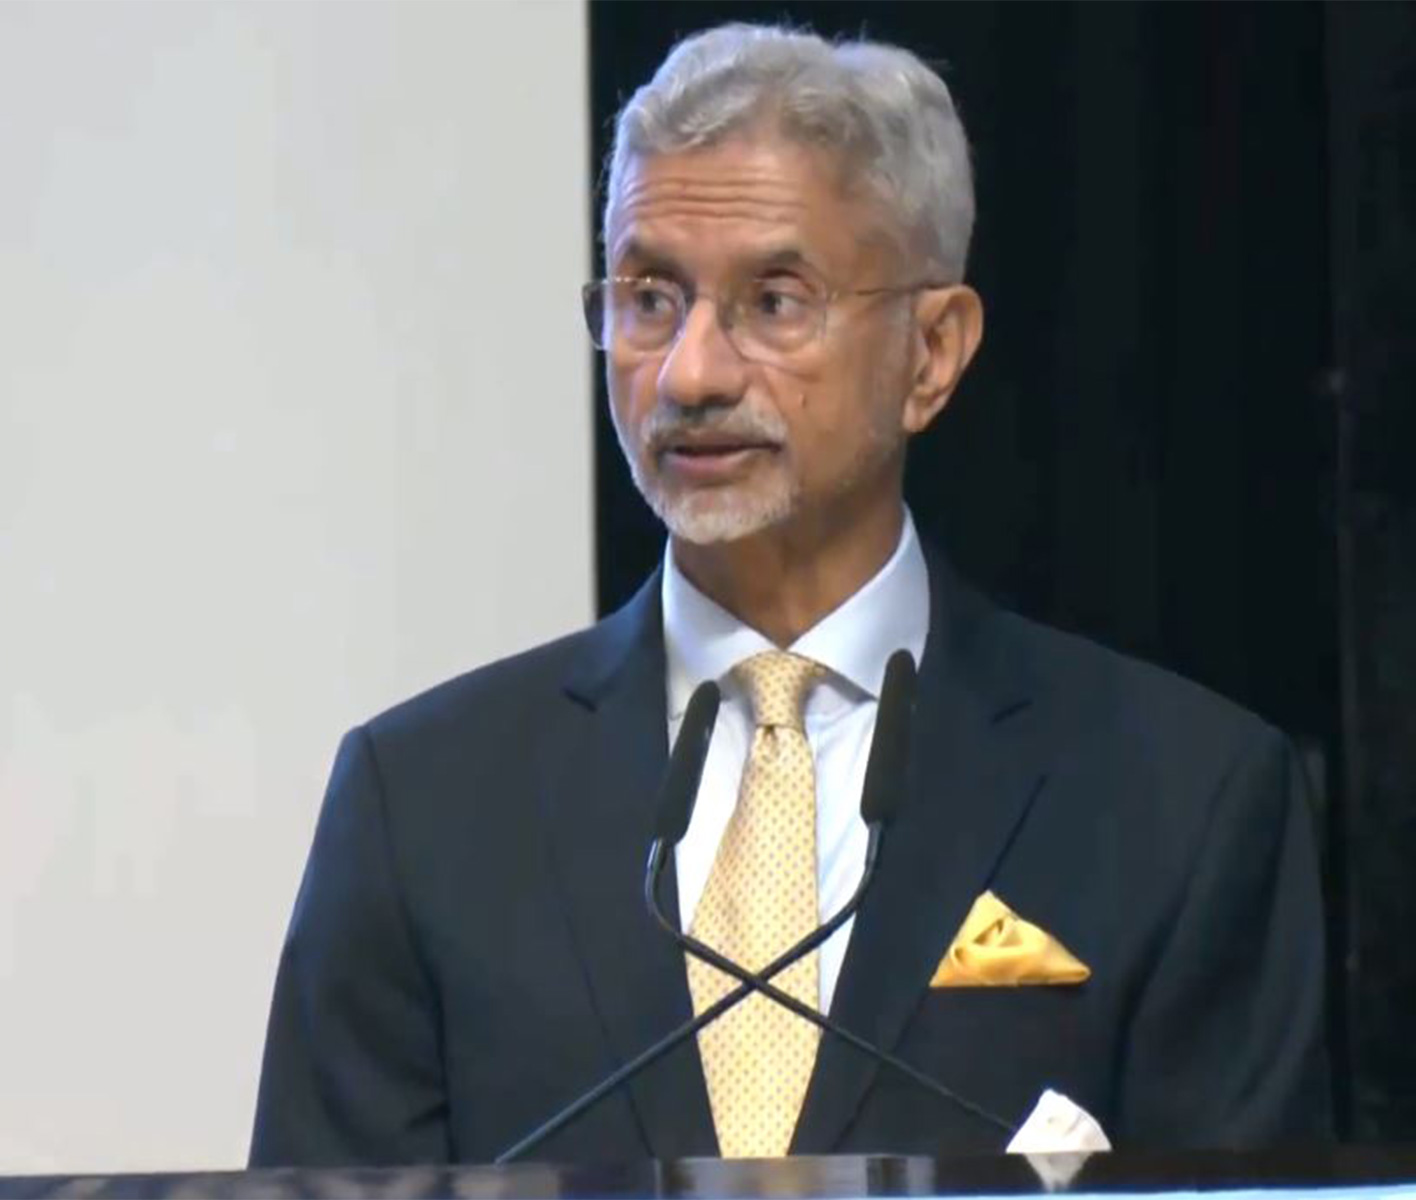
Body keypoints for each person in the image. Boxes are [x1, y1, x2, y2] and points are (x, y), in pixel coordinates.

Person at [249, 23, 1331, 1167]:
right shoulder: (420, 807)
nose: (692, 373)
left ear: (932, 353)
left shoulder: (1182, 800)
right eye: (649, 296)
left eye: (774, 300)